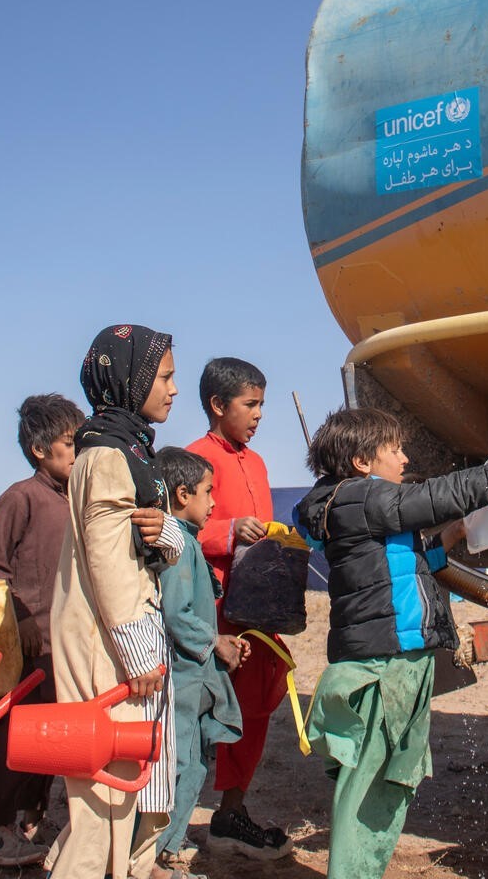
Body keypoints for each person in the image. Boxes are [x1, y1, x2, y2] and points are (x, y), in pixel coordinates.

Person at [292, 407, 488, 879]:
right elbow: (439, 495)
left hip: (391, 659)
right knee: (371, 783)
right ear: (362, 462)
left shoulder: (358, 507)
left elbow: (407, 564)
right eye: (394, 449)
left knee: (380, 778)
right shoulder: (361, 497)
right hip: (384, 664)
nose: (404, 458)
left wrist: (457, 531)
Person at [45, 325, 185, 879]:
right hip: (110, 645)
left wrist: (167, 532)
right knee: (104, 799)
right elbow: (109, 563)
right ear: (130, 379)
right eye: (164, 377)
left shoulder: (127, 450)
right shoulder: (107, 455)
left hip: (123, 640)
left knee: (128, 787)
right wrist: (138, 654)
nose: (173, 389)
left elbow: (144, 545)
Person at [0, 393, 86, 867]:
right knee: (16, 736)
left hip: (65, 645)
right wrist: (20, 620)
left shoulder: (75, 501)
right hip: (29, 646)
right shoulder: (21, 497)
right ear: (40, 449)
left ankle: (30, 820)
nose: (77, 454)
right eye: (70, 444)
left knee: (51, 737)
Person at [184, 357, 291, 858]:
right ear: (217, 404)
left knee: (254, 708)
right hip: (212, 612)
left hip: (258, 613)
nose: (259, 415)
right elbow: (175, 528)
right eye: (250, 404)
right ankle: (167, 827)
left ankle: (230, 812)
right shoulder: (193, 459)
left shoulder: (259, 463)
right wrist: (227, 532)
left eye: (261, 405)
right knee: (195, 714)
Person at [154, 447, 250, 877]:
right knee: (179, 768)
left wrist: (220, 642)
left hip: (192, 676)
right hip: (183, 679)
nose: (213, 502)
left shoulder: (186, 541)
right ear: (182, 494)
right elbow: (177, 614)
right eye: (208, 492)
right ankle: (156, 856)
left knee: (192, 764)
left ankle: (167, 850)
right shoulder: (178, 545)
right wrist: (215, 643)